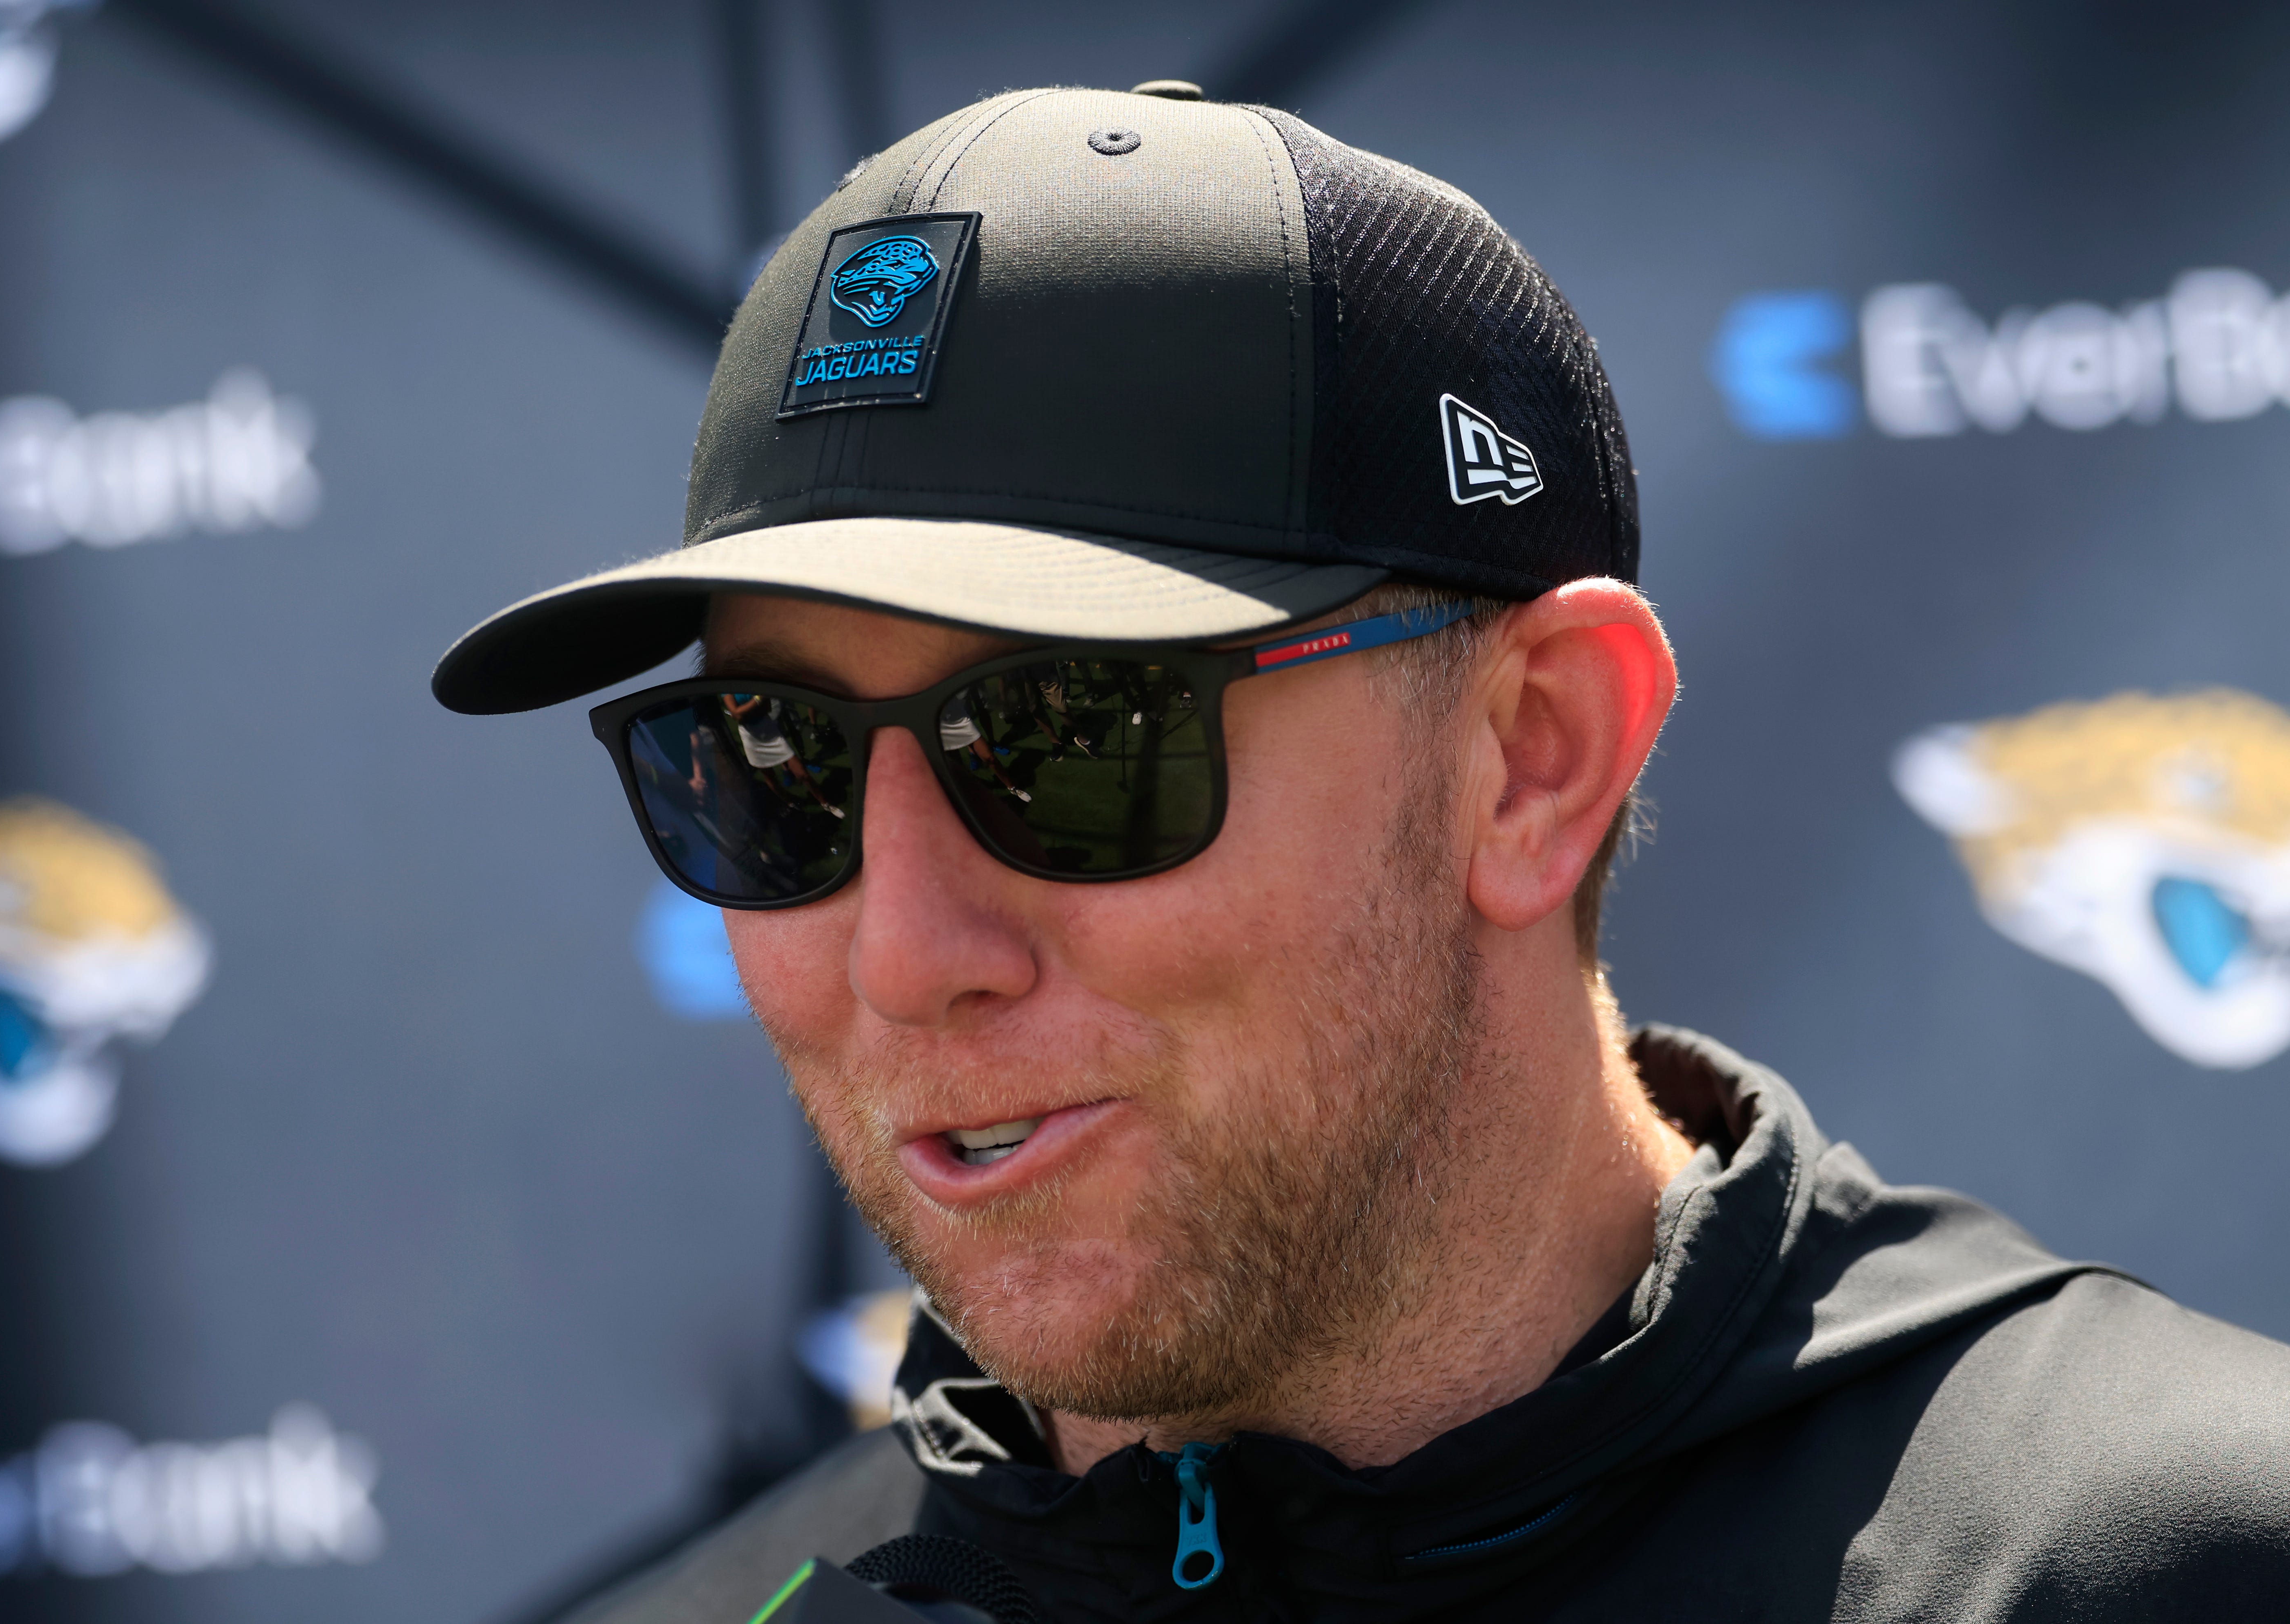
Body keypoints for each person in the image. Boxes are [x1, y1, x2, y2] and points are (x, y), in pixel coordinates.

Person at [433, 83, 2290, 1622]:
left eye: (1074, 734)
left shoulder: (2169, 1554)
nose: (905, 950)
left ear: (1534, 756)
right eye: (771, 763)